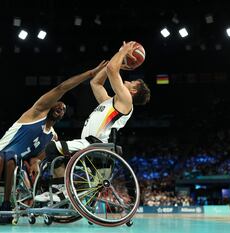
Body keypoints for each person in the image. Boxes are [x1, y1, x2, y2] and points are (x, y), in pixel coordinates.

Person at [0, 61, 107, 223]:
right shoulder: (36, 113)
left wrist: (37, 162)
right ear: (50, 105)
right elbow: (61, 88)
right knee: (4, 158)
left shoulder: (52, 137)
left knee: (11, 160)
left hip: (15, 162)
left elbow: (39, 158)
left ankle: (7, 204)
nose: (61, 108)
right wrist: (90, 74)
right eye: (59, 105)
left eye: (64, 109)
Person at [36, 41, 150, 201]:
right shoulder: (109, 101)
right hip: (88, 144)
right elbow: (95, 82)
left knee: (52, 148)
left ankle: (61, 192)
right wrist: (116, 61)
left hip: (97, 146)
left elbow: (112, 70)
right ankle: (59, 191)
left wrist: (123, 52)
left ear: (132, 91)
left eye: (132, 83)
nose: (127, 81)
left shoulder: (126, 101)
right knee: (57, 157)